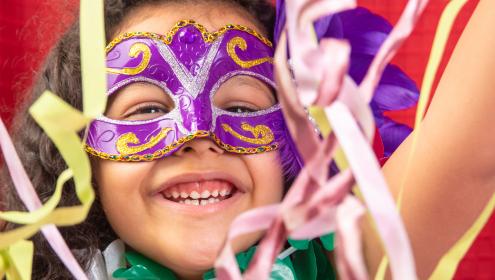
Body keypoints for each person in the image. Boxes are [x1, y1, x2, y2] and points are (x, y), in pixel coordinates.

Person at [1, 0, 494, 279]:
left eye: (239, 108)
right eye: (148, 109)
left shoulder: (355, 261)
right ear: (83, 157)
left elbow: (476, 148)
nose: (197, 135)